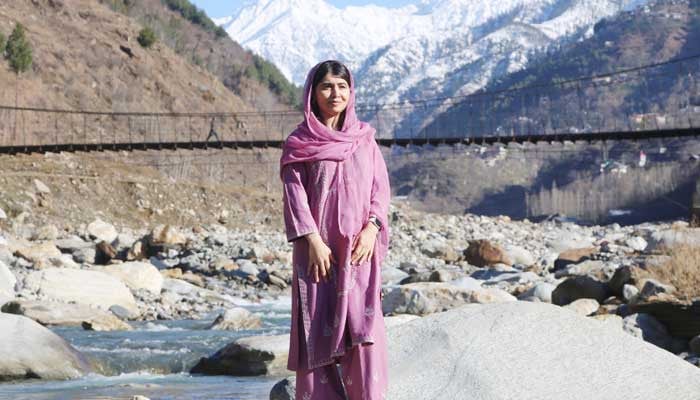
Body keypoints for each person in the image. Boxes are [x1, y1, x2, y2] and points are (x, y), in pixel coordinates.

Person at [279, 60, 391, 400]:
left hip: (359, 251)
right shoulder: (299, 142)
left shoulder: (365, 139)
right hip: (318, 254)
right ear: (313, 92)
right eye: (327, 86)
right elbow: (294, 196)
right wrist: (312, 240)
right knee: (318, 333)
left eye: (342, 87)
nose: (335, 94)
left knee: (364, 332)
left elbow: (379, 190)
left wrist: (373, 228)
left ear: (351, 92)